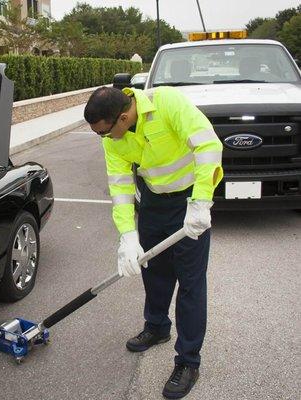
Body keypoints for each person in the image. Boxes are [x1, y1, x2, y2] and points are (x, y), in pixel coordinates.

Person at [84, 85, 223, 399]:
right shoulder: (113, 139)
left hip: (189, 200)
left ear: (122, 117)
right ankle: (157, 326)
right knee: (154, 271)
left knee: (190, 282)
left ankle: (188, 361)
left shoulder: (167, 103)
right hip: (153, 203)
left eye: (105, 133)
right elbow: (119, 185)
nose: (104, 140)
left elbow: (208, 145)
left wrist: (201, 202)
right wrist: (127, 236)